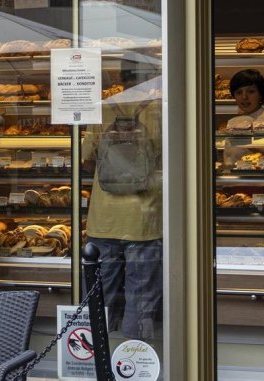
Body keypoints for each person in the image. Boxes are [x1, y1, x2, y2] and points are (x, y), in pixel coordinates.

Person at [82, 70, 163, 342]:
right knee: (140, 297)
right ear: (149, 76)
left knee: (99, 295)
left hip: (104, 219)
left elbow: (86, 160)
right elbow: (167, 160)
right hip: (143, 218)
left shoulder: (102, 110)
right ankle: (134, 359)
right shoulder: (158, 110)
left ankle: (95, 358)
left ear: (121, 77)